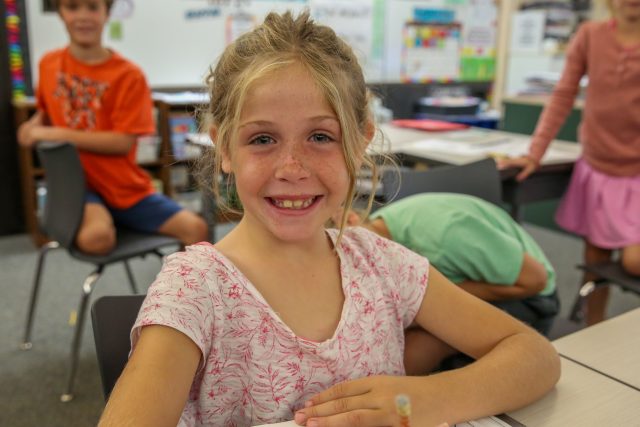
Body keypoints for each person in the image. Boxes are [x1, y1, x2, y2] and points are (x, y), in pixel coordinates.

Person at [98, 11, 560, 427]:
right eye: (262, 140)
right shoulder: (196, 290)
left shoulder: (384, 265)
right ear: (223, 148)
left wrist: (424, 399)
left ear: (360, 143)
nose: (292, 168)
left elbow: (535, 356)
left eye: (320, 136)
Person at [17, 0, 208, 255]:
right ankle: (105, 219)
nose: (83, 16)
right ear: (61, 13)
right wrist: (29, 129)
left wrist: (54, 134)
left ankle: (183, 293)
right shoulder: (49, 65)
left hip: (125, 188)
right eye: (73, 7)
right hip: (79, 190)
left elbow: (122, 143)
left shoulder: (129, 75)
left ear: (107, 13)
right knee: (96, 239)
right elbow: (44, 116)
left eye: (93, 7)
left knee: (197, 230)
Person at [500, 0, 640, 325]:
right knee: (595, 258)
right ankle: (593, 327)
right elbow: (563, 95)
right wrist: (535, 153)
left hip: (637, 171)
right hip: (598, 165)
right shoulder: (590, 35)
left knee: (633, 262)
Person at [340, 193, 560, 375]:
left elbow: (535, 280)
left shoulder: (445, 233)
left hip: (531, 297)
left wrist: (426, 305)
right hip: (464, 276)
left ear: (350, 219)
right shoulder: (373, 226)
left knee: (420, 342)